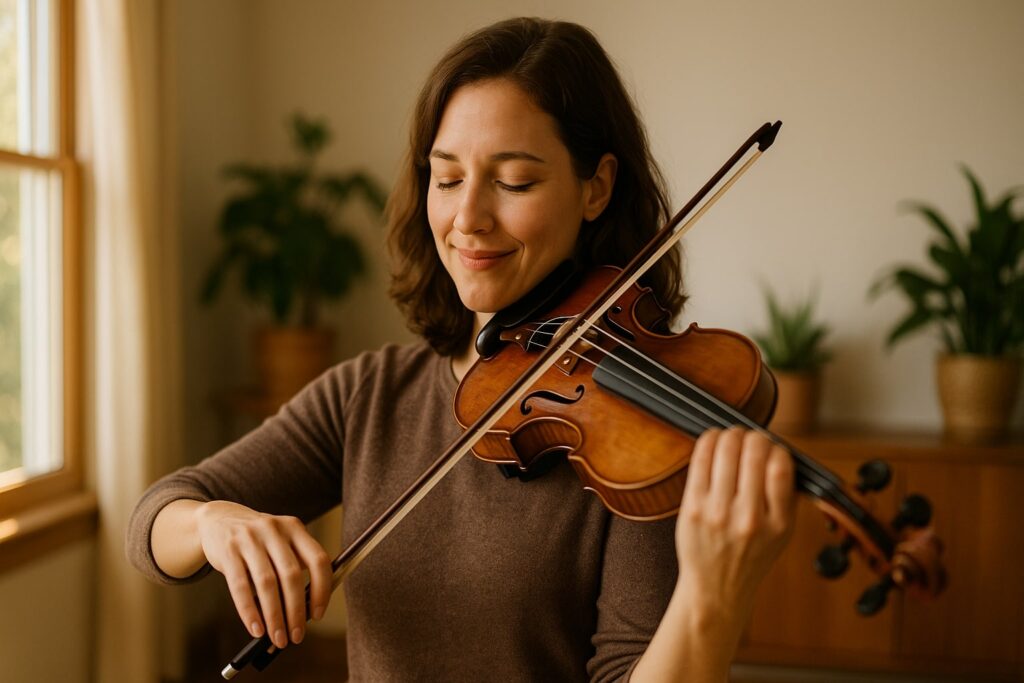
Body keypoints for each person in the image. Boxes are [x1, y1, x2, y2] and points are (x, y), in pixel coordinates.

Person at [127, 17, 796, 682]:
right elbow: (155, 522)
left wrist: (712, 600)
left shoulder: (642, 437)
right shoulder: (371, 393)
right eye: (446, 179)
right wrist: (216, 521)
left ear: (596, 187)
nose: (467, 217)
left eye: (514, 182)